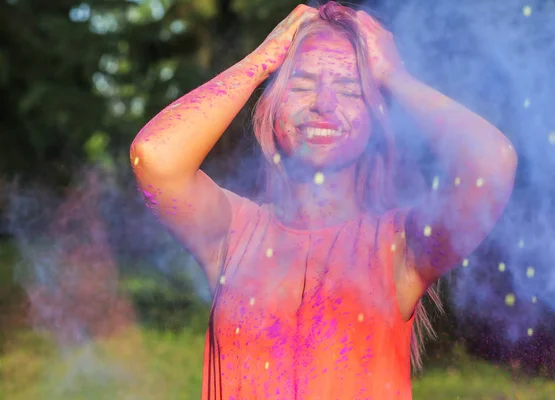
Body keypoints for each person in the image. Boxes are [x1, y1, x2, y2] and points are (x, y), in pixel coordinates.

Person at [130, 2, 517, 399]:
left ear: (375, 121)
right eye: (300, 84)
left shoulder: (399, 247)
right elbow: (155, 157)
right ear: (272, 106)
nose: (324, 105)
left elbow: (492, 163)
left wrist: (393, 76)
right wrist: (263, 59)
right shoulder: (232, 231)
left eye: (350, 90)